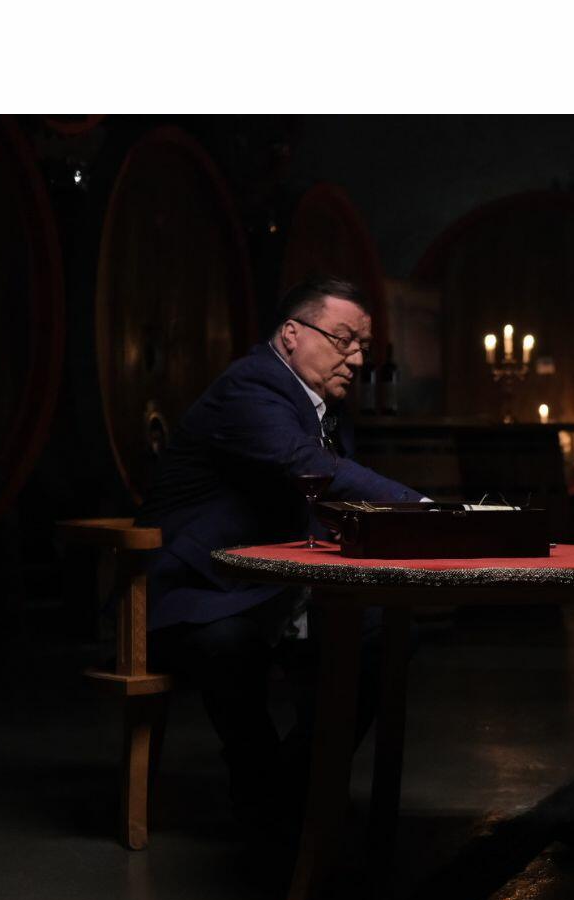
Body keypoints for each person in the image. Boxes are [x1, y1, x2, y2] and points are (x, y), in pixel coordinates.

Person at [137, 276, 424, 824]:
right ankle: (266, 784)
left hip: (271, 585)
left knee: (389, 632)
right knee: (230, 642)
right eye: (343, 340)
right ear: (292, 334)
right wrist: (427, 509)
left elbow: (325, 501)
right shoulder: (252, 386)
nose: (356, 359)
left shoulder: (325, 404)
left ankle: (295, 779)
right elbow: (309, 467)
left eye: (363, 346)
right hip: (198, 588)